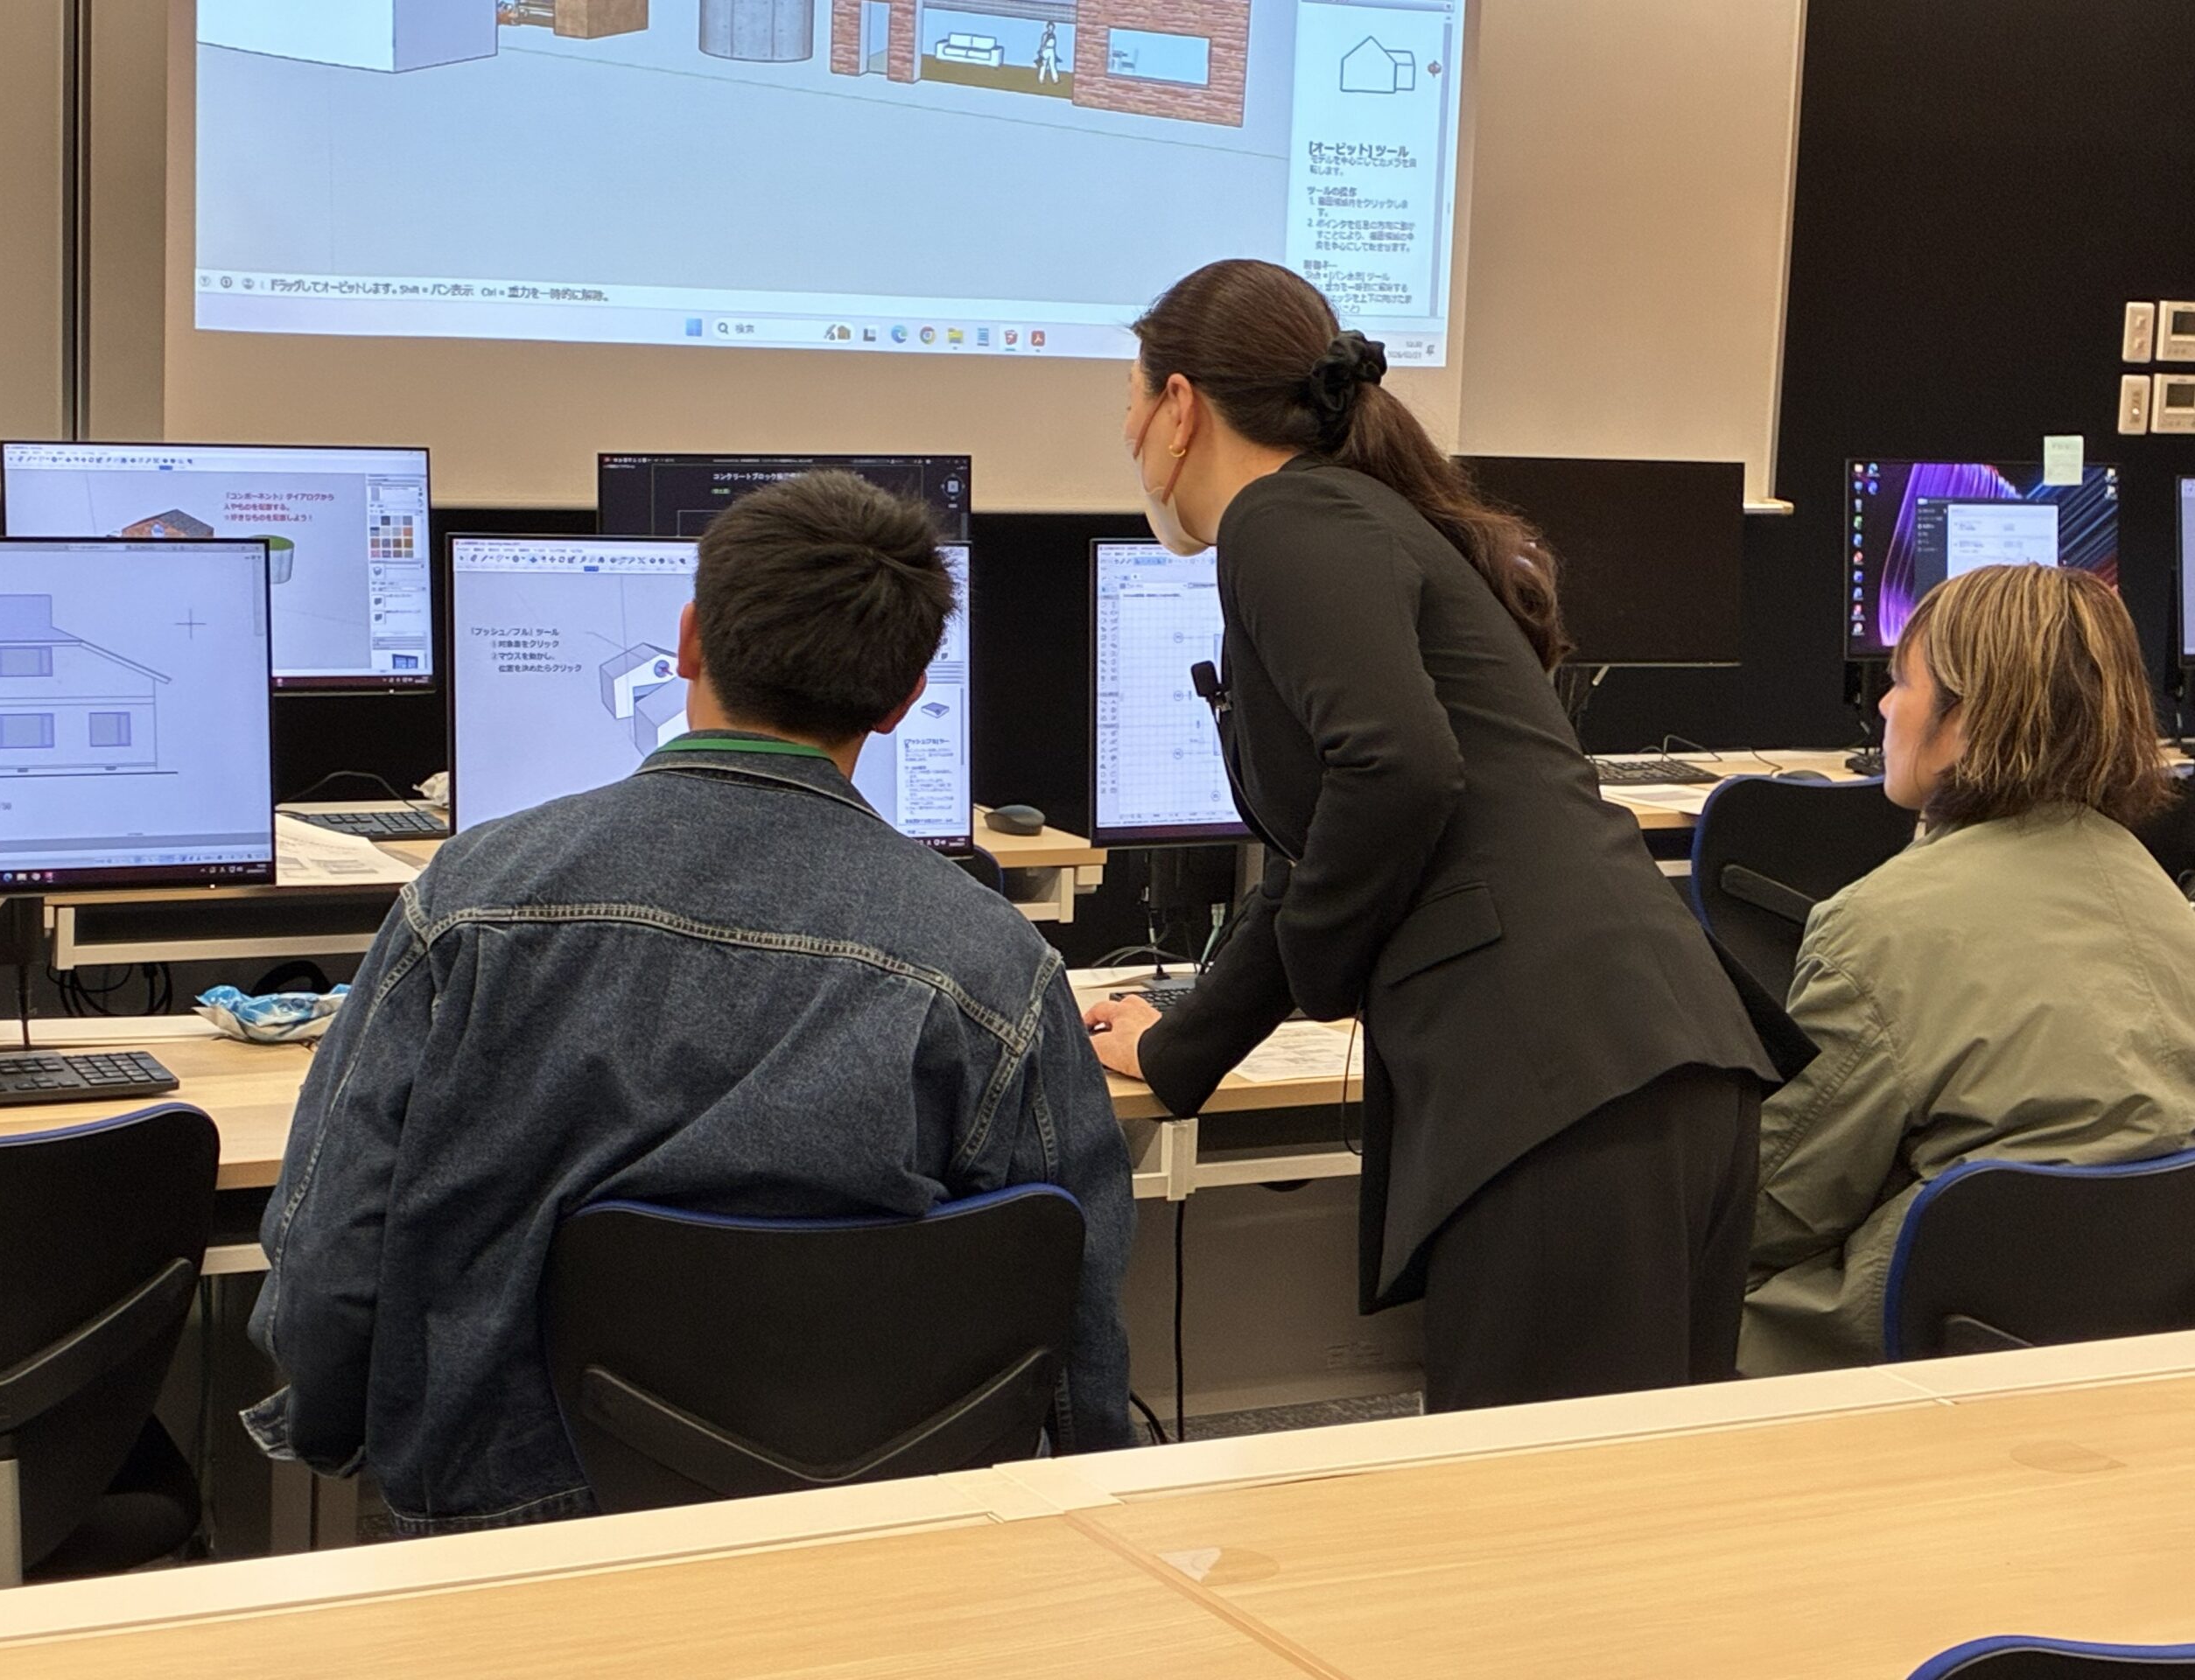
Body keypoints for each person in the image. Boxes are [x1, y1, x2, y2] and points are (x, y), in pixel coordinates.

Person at [246, 472, 1135, 1534]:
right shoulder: (996, 962)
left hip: (510, 1519)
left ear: (687, 643)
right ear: (905, 699)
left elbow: (332, 1254)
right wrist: (1087, 1499)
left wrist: (342, 1435)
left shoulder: (468, 898)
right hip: (871, 1515)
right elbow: (1066, 1285)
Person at [1083, 258, 1806, 1412]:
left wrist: (1325, 969)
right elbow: (1336, 832)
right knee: (1629, 1494)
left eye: (1127, 399)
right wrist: (1181, 1047)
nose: (1123, 433)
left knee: (1542, 1504)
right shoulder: (1358, 518)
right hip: (1642, 1059)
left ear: (1179, 407)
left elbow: (1399, 769)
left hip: (1558, 1080)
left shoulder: (1282, 519)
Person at [1741, 564, 2195, 1375]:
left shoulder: (1876, 927)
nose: (1884, 707)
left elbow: (1776, 1206)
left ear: (1967, 721)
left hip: (1924, 1336)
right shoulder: (2159, 895)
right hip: (2144, 1336)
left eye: (1901, 682)